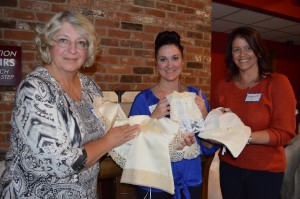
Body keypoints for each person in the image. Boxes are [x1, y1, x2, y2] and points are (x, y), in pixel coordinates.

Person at [0, 11, 139, 198]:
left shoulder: (90, 87)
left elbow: (114, 131)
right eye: (64, 40)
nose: (73, 50)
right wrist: (109, 141)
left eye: (81, 42)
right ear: (48, 44)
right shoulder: (34, 88)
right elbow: (62, 163)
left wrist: (168, 138)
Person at [129, 30, 218, 199]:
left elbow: (207, 146)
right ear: (156, 64)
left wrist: (205, 116)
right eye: (163, 59)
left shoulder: (197, 97)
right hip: (154, 185)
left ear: (182, 61)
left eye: (175, 58)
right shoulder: (143, 100)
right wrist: (153, 118)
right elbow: (131, 147)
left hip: (190, 183)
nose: (170, 65)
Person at [212, 26, 296, 199]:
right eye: (236, 49)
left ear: (258, 51)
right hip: (229, 168)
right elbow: (216, 125)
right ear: (231, 54)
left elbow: (285, 133)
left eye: (248, 47)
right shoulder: (223, 87)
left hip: (265, 171)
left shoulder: (277, 83)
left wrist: (243, 136)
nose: (242, 54)